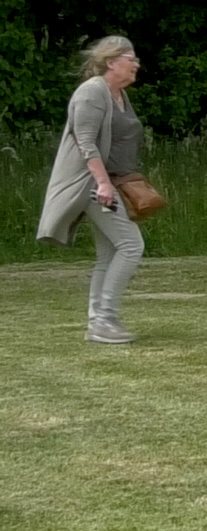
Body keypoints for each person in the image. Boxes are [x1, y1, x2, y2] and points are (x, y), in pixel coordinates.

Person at [37, 37, 147, 344]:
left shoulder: (119, 93)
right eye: (130, 58)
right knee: (130, 245)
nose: (136, 63)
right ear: (111, 62)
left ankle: (98, 321)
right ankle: (104, 319)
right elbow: (85, 142)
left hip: (111, 182)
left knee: (108, 253)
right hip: (90, 184)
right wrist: (102, 183)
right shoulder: (92, 92)